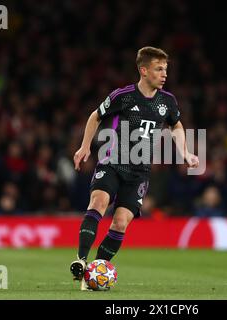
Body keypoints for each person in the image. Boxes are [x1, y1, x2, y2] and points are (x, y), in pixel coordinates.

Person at [69, 46, 199, 290]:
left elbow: (177, 126)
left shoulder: (167, 101)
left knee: (120, 222)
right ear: (144, 70)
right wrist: (85, 146)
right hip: (113, 162)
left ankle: (94, 273)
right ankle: (81, 260)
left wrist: (185, 152)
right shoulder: (124, 95)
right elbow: (96, 115)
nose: (164, 74)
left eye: (166, 69)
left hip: (139, 173)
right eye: (159, 69)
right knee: (98, 202)